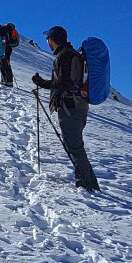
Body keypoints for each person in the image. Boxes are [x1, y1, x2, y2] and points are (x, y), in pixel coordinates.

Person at [33, 26, 101, 192]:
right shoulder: (69, 54)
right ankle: (89, 183)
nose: (47, 42)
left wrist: (42, 82)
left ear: (53, 39)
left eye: (48, 39)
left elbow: (64, 83)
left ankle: (85, 185)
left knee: (74, 146)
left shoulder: (65, 56)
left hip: (71, 107)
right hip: (77, 105)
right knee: (75, 145)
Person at [0, 21, 19, 87]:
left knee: (3, 64)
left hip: (3, 48)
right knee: (6, 64)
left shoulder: (3, 29)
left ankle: (5, 80)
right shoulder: (12, 31)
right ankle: (8, 81)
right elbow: (16, 43)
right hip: (8, 48)